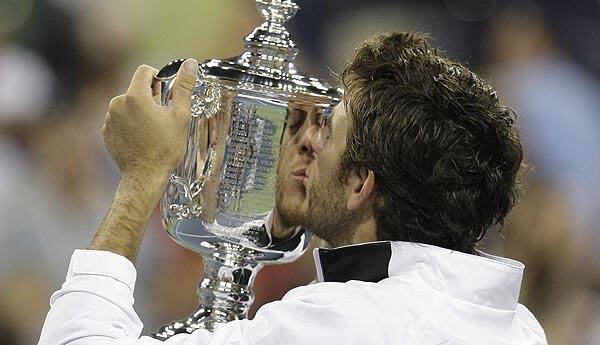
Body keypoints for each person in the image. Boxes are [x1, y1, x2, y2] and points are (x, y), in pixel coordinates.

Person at [38, 33, 547, 344]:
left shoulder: (354, 323)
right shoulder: (519, 326)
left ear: (360, 185)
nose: (305, 142)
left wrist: (142, 174)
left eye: (328, 130)